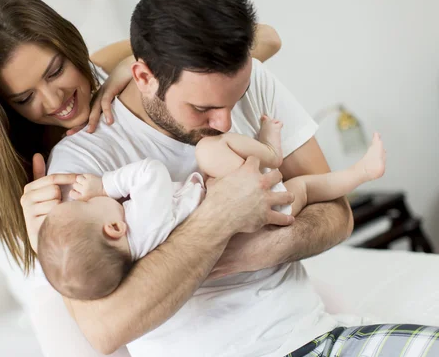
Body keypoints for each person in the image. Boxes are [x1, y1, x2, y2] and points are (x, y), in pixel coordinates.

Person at [23, 0, 439, 357]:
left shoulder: (248, 76)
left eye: (234, 100)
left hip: (322, 339)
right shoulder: (80, 169)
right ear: (144, 76)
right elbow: (104, 330)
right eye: (202, 109)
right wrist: (220, 218)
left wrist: (260, 248)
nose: (225, 123)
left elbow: (338, 215)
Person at [0, 0, 285, 357]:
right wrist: (39, 237)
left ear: (69, 44)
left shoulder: (111, 73)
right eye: (25, 98)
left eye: (57, 70)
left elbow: (265, 38)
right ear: (5, 107)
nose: (52, 100)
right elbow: (102, 326)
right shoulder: (46, 177)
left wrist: (126, 69)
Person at [38, 123, 386, 302]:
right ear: (113, 228)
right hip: (252, 210)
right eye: (86, 208)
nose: (87, 199)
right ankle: (355, 172)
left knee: (305, 189)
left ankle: (342, 169)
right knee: (212, 150)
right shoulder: (142, 220)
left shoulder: (138, 255)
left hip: (232, 207)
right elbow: (150, 172)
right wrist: (104, 185)